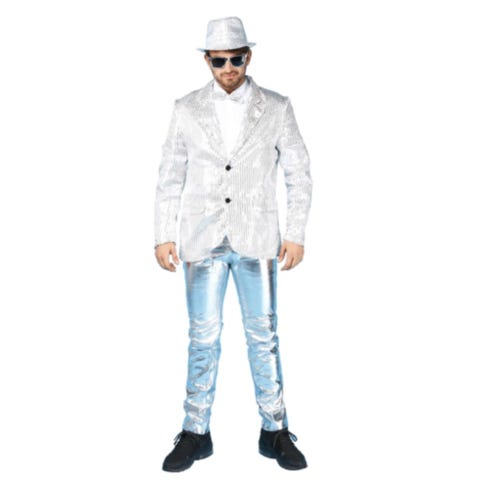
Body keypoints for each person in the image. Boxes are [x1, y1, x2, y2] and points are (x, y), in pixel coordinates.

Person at [154, 16, 313, 472]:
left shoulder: (276, 106)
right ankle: (195, 431)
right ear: (207, 61)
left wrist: (296, 233)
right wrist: (164, 233)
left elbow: (299, 172)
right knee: (202, 338)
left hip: (256, 238)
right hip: (201, 239)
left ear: (248, 56)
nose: (228, 68)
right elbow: (170, 173)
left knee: (264, 336)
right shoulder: (186, 108)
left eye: (236, 59)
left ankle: (275, 429)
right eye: (219, 60)